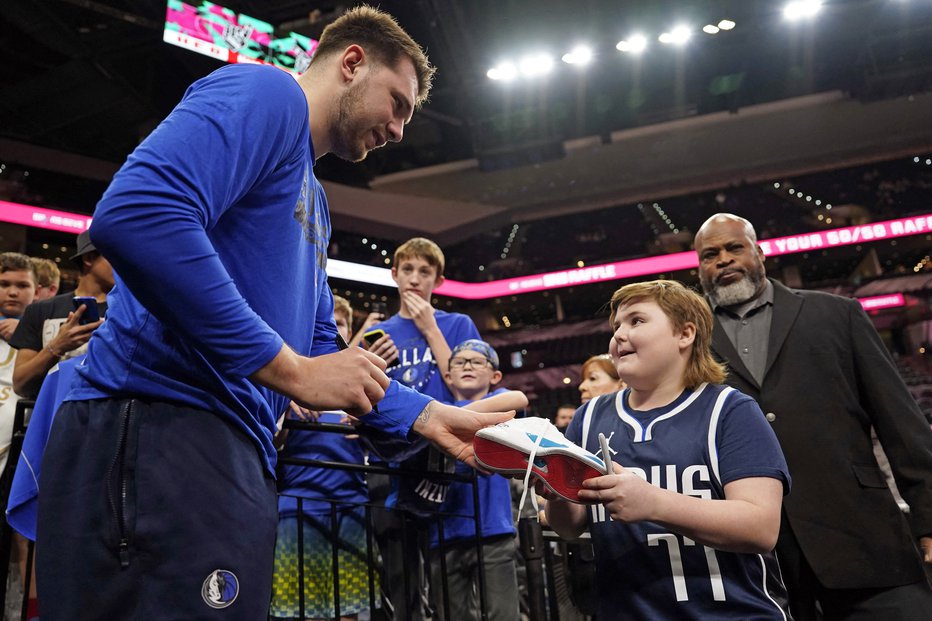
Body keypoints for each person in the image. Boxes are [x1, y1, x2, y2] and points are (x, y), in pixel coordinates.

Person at [34, 7, 511, 620]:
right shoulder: (265, 91)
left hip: (231, 446)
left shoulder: (312, 195)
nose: (398, 129)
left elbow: (320, 351)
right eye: (397, 103)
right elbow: (137, 214)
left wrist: (429, 414)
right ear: (352, 62)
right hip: (159, 426)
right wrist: (285, 370)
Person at [694, 213, 932, 620]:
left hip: (863, 538)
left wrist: (929, 517)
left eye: (735, 247)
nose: (723, 260)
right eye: (710, 254)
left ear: (760, 252)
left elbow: (902, 423)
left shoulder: (838, 314)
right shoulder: (690, 342)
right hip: (760, 565)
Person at [545, 280, 792, 620]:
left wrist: (654, 502)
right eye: (616, 325)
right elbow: (571, 526)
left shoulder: (729, 410)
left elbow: (761, 527)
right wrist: (554, 492)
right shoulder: (588, 418)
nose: (618, 334)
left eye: (636, 321)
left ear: (685, 334)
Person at [369, 237, 482, 619]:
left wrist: (430, 328)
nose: (415, 278)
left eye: (425, 271)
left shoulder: (457, 324)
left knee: (446, 571)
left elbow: (466, 387)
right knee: (400, 574)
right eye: (408, 269)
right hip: (392, 458)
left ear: (438, 280)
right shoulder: (379, 331)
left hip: (445, 459)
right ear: (394, 274)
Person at [271, 295, 375, 621]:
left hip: (351, 506)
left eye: (340, 325)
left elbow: (385, 447)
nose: (333, 332)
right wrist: (284, 407)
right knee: (302, 610)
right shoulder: (283, 385)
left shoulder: (363, 390)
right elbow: (271, 441)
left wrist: (369, 425)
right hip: (298, 507)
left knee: (349, 611)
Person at [430, 339, 526, 621]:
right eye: (460, 362)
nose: (468, 366)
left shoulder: (500, 403)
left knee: (503, 615)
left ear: (495, 376)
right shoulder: (434, 408)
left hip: (493, 531)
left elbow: (518, 398)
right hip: (444, 533)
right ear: (448, 376)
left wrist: (453, 417)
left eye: (477, 362)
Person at [10, 231, 112, 398]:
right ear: (89, 258)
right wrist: (57, 346)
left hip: (103, 419)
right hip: (47, 418)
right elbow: (21, 384)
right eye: (115, 256)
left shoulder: (129, 314)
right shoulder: (40, 310)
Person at [0, 252, 37, 472]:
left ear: (37, 290)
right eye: (4, 284)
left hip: (17, 448)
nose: (13, 292)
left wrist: (25, 332)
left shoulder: (50, 334)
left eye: (22, 285)